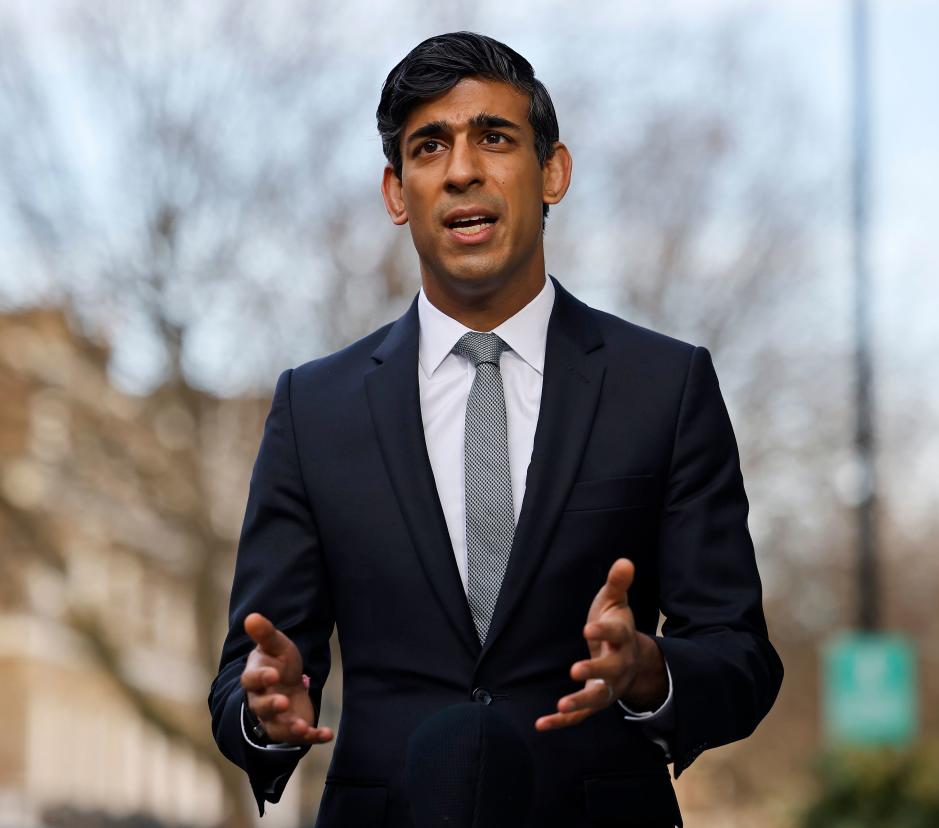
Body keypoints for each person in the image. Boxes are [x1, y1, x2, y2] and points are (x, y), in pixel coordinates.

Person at [208, 31, 783, 827]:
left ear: (552, 172)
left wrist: (649, 670)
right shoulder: (313, 408)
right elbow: (251, 668)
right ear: (396, 192)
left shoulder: (665, 386)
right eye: (429, 146)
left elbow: (738, 656)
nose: (462, 168)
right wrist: (260, 712)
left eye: (494, 137)